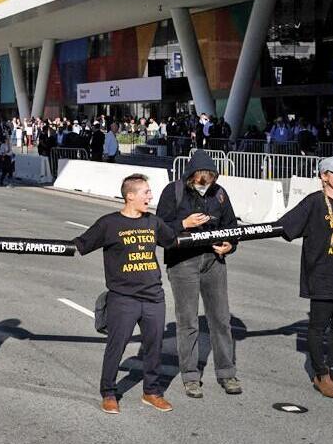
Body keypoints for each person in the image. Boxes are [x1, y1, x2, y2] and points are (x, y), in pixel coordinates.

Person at [74, 174, 178, 414]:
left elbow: (173, 239)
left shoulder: (153, 222)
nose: (150, 197)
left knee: (154, 345)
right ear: (130, 196)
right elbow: (81, 244)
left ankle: (152, 392)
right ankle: (109, 393)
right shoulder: (109, 224)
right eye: (146, 193)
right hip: (123, 298)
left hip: (154, 296)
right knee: (116, 346)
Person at [277, 157, 333, 398]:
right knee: (318, 328)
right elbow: (285, 226)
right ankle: (321, 375)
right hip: (323, 277)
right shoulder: (314, 202)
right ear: (324, 176)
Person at [156, 150, 241, 398]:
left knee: (221, 319)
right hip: (183, 262)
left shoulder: (220, 193)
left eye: (211, 178)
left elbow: (231, 227)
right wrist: (184, 224)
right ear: (192, 176)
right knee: (188, 321)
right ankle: (191, 376)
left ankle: (227, 372)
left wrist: (230, 245)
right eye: (202, 178)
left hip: (214, 260)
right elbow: (159, 229)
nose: (206, 183)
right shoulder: (174, 192)